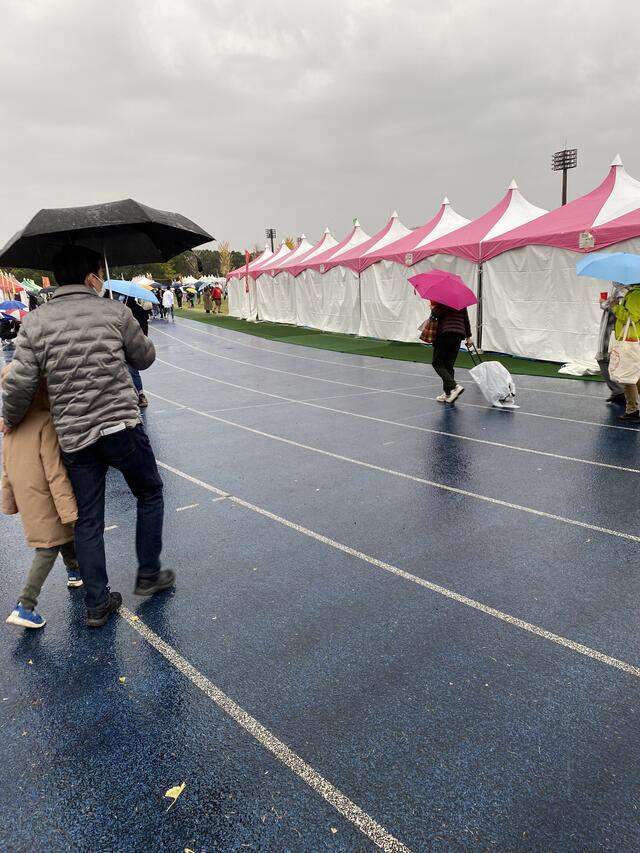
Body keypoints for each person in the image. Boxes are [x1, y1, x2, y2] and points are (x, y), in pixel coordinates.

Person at [1, 244, 174, 628]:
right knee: (149, 492)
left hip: (75, 436)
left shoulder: (35, 322)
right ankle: (149, 573)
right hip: (120, 427)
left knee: (88, 519)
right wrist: (127, 321)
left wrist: (9, 419)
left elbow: (20, 383)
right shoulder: (114, 311)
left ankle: (96, 603)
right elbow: (144, 358)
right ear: (92, 275)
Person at [2, 367, 82, 629]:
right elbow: (55, 472)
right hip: (46, 497)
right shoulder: (46, 422)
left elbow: (7, 470)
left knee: (59, 533)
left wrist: (9, 501)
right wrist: (69, 508)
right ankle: (25, 604)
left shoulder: (10, 429)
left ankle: (74, 569)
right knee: (47, 546)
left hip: (28, 499)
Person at [429, 302, 473, 403]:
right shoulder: (460, 302)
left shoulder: (442, 300)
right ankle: (448, 394)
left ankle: (455, 387)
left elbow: (436, 314)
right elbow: (466, 320)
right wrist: (469, 337)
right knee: (448, 365)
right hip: (458, 335)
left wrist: (433, 308)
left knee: (437, 363)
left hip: (445, 334)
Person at [611, 284, 640, 421]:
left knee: (628, 378)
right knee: (637, 376)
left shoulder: (635, 294)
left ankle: (632, 410)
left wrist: (615, 307)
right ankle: (633, 409)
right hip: (634, 339)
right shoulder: (634, 293)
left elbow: (632, 318)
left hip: (631, 340)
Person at [597, 285, 626, 405]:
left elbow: (617, 308)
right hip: (608, 331)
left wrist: (604, 302)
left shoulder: (625, 290)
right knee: (604, 359)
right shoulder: (619, 289)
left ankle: (620, 392)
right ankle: (618, 392)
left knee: (604, 359)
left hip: (613, 332)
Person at [123, 295, 150, 408]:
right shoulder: (140, 310)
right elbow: (145, 326)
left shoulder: (125, 312)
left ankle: (139, 394)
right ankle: (140, 394)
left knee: (131, 370)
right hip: (137, 343)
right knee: (133, 371)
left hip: (128, 343)